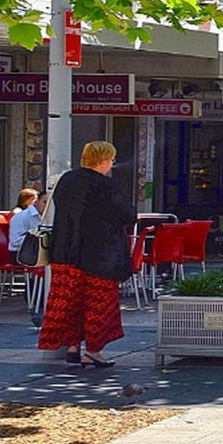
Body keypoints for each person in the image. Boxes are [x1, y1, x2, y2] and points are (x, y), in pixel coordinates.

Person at [38, 141, 136, 367]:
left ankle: (73, 347)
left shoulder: (66, 180)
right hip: (99, 256)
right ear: (103, 161)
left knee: (70, 302)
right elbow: (128, 216)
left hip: (65, 253)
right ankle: (93, 351)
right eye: (111, 159)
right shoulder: (107, 186)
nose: (112, 163)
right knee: (97, 304)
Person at [9, 187, 47, 325]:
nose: (47, 206)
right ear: (36, 202)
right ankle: (37, 302)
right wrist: (36, 242)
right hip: (20, 254)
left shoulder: (51, 216)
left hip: (41, 252)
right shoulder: (21, 217)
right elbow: (15, 242)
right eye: (44, 202)